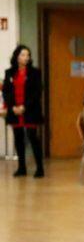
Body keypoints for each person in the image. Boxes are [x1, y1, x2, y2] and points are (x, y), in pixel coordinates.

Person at [2, 44, 44, 178]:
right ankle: (21, 167)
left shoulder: (35, 72)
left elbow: (37, 92)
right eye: (23, 55)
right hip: (15, 110)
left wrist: (24, 107)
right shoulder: (9, 72)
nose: (26, 57)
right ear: (17, 56)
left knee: (32, 137)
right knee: (18, 138)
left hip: (30, 109)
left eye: (28, 55)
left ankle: (40, 168)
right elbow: (6, 92)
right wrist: (13, 106)